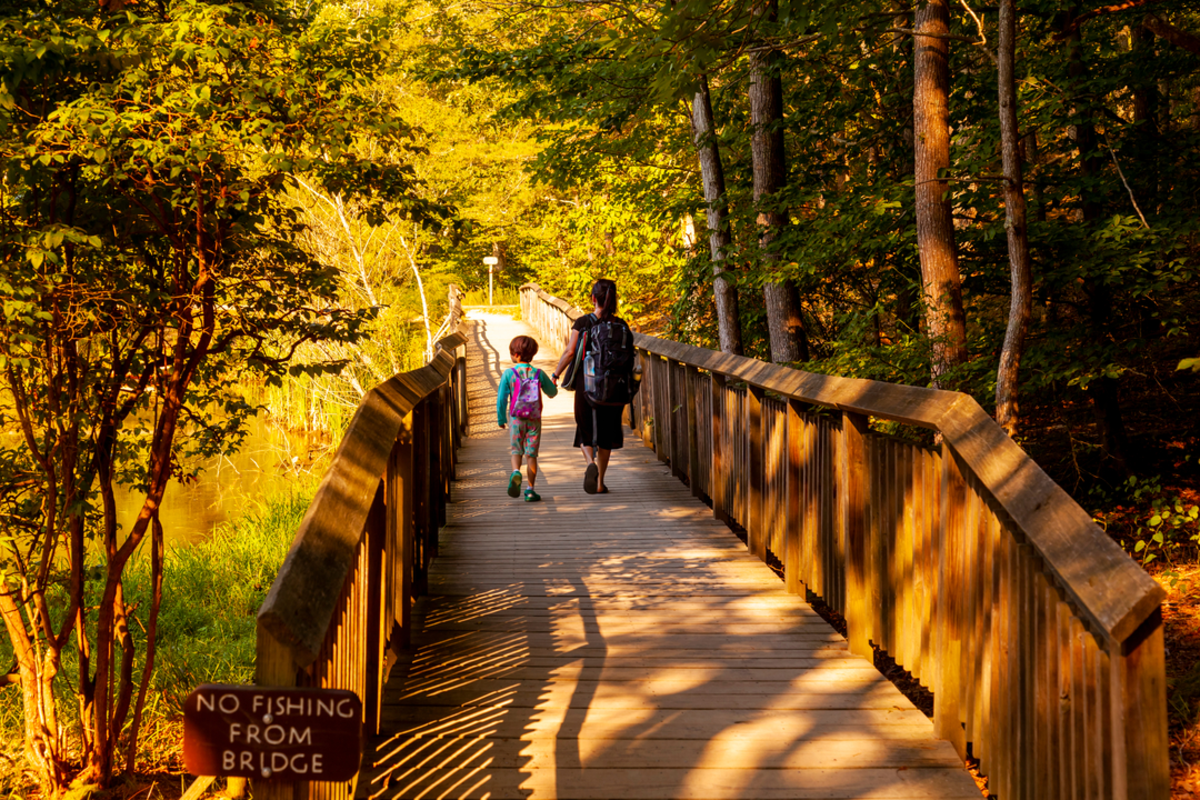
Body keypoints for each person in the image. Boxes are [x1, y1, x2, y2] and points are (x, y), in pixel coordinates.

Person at [551, 278, 629, 494]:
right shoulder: (621, 325)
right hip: (614, 387)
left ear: (593, 299)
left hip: (587, 384)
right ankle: (600, 482)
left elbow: (569, 352)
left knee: (585, 428)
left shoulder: (583, 323)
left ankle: (589, 463)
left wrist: (556, 374)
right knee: (607, 432)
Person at [497, 335, 558, 502]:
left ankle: (516, 472)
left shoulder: (510, 373)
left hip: (516, 419)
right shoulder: (539, 374)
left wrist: (501, 418)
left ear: (515, 355)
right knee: (532, 455)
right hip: (534, 420)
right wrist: (553, 383)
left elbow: (502, 398)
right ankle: (530, 490)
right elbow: (552, 393)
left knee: (516, 451)